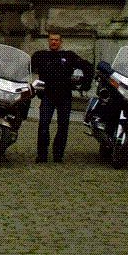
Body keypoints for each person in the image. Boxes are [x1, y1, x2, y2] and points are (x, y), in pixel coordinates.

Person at [30, 33, 93, 164]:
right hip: (47, 95)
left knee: (63, 127)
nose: (54, 42)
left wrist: (85, 84)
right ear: (48, 41)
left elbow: (87, 66)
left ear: (61, 42)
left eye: (56, 40)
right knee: (43, 125)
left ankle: (58, 155)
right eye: (52, 40)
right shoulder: (40, 55)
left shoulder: (69, 56)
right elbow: (26, 67)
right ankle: (42, 155)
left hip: (64, 96)